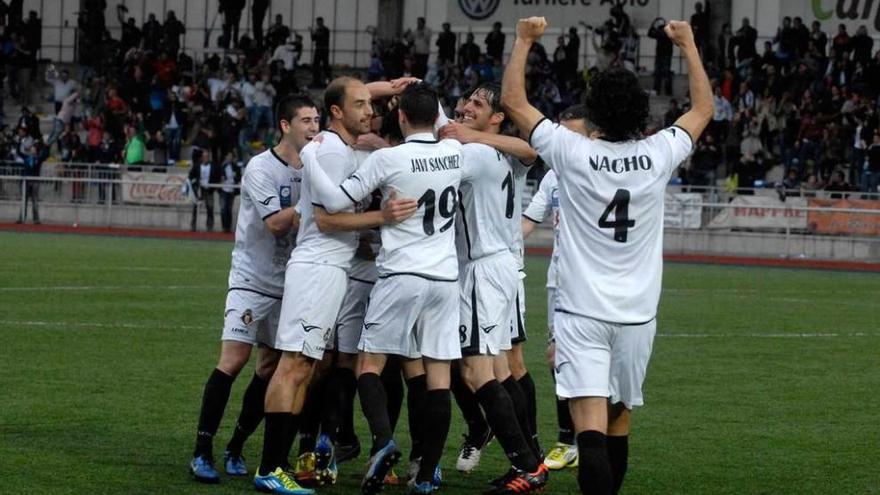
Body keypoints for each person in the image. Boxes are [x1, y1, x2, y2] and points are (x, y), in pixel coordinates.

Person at [502, 16, 712, 495]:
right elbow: (703, 107)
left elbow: (514, 101)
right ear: (642, 114)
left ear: (592, 114)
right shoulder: (660, 152)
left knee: (588, 429)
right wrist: (688, 44)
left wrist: (524, 41)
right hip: (637, 316)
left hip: (581, 312)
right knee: (619, 422)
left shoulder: (571, 151)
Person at [252, 77, 416, 495]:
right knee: (293, 366)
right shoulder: (327, 147)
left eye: (371, 103)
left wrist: (385, 88)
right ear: (338, 112)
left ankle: (277, 464)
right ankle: (270, 466)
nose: (370, 111)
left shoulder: (342, 147)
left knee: (305, 366)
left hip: (330, 269)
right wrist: (384, 218)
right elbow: (326, 219)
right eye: (360, 105)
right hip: (316, 268)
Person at [305, 82, 469, 495]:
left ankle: (383, 441)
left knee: (369, 366)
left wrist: (309, 157)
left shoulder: (389, 158)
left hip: (401, 275)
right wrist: (428, 94)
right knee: (438, 379)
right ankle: (429, 470)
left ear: (398, 117)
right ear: (436, 116)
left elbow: (337, 200)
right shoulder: (455, 153)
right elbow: (445, 124)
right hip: (445, 278)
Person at [188, 94, 319, 485]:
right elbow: (277, 224)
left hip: (291, 283)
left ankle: (236, 446)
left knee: (269, 368)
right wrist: (320, 201)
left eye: (317, 121)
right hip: (251, 281)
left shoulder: (315, 168)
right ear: (284, 125)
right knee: (234, 360)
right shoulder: (261, 168)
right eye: (306, 121)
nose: (314, 128)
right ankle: (201, 451)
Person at [436, 83, 549, 493]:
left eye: (478, 104)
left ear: (498, 116)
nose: (466, 108)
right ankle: (531, 457)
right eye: (466, 101)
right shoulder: (501, 150)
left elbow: (430, 164)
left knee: (474, 370)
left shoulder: (475, 152)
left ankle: (527, 466)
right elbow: (529, 150)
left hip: (483, 269)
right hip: (503, 267)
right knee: (502, 370)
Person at [520, 104, 592, 472]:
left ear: (593, 136)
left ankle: (590, 436)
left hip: (596, 286)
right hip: (559, 282)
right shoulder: (553, 177)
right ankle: (569, 439)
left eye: (573, 134)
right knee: (555, 359)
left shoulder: (602, 175)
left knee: (593, 365)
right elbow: (528, 223)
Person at [648, 18, 673, 95]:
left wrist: (653, 24)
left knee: (663, 74)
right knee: (660, 74)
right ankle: (661, 90)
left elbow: (650, 33)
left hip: (664, 56)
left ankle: (663, 90)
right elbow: (650, 34)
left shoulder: (665, 34)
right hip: (662, 55)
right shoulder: (665, 34)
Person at [310, 17, 331, 87]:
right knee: (315, 66)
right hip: (318, 49)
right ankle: (316, 81)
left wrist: (314, 32)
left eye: (319, 22)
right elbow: (313, 39)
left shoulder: (326, 30)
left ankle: (328, 81)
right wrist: (311, 33)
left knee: (325, 66)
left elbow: (320, 35)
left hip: (324, 49)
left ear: (322, 22)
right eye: (317, 22)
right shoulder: (317, 30)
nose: (318, 24)